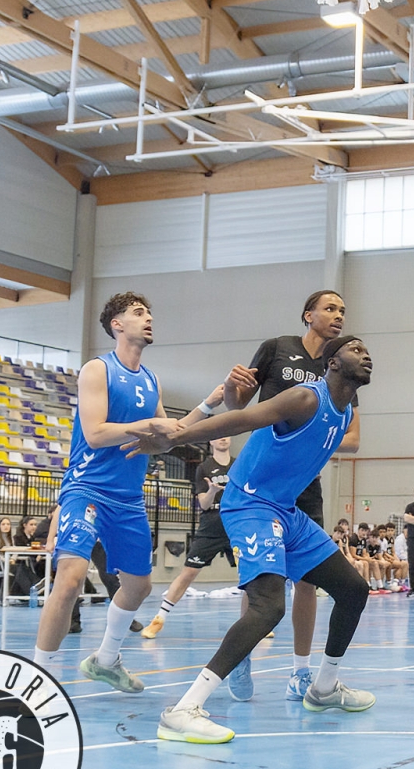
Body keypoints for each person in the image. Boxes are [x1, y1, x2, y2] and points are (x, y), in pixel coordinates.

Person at [142, 336, 376, 745]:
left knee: (353, 589)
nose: (366, 354)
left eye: (366, 349)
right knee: (268, 607)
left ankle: (323, 689)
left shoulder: (343, 415)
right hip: (250, 503)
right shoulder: (306, 398)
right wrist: (177, 437)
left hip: (285, 510)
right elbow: (242, 419)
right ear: (333, 363)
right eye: (355, 349)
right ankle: (182, 711)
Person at [30, 292, 221, 689]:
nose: (148, 318)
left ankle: (106, 659)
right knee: (70, 579)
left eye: (149, 312)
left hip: (128, 498)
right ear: (116, 325)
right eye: (138, 313)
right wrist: (147, 426)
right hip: (87, 488)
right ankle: (37, 679)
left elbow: (168, 438)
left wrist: (208, 404)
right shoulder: (97, 370)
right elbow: (96, 434)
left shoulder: (151, 381)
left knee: (139, 586)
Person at [223, 290, 359, 700]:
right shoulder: (276, 349)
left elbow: (352, 438)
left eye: (342, 311)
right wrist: (232, 387)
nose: (338, 315)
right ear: (307, 315)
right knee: (260, 579)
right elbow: (237, 408)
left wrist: (308, 433)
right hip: (261, 481)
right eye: (330, 308)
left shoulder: (342, 366)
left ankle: (301, 671)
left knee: (307, 580)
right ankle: (240, 658)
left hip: (303, 484)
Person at [139, 436, 238, 639]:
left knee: (250, 575)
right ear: (211, 441)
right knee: (188, 573)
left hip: (237, 524)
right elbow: (203, 504)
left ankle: (255, 625)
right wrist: (212, 491)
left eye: (227, 435)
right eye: (218, 436)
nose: (223, 439)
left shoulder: (239, 465)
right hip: (211, 526)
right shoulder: (204, 468)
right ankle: (159, 619)